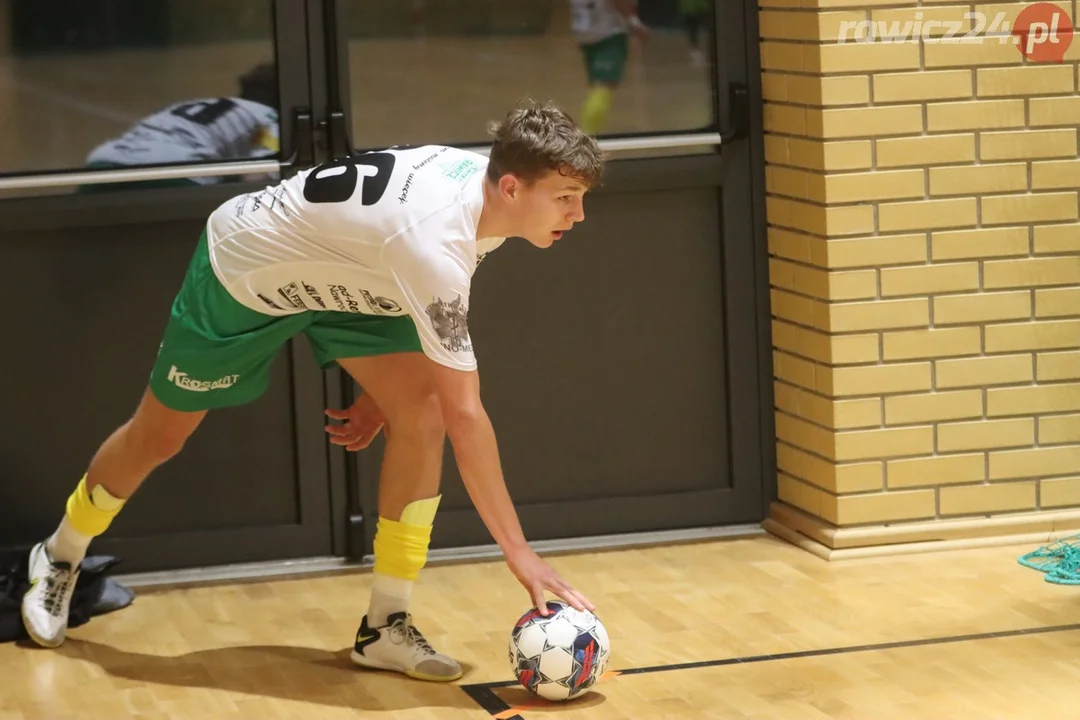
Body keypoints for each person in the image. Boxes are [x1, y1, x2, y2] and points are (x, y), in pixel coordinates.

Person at [21, 101, 605, 683]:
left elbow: (395, 265)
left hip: (352, 271)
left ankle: (385, 624)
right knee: (160, 435)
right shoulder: (436, 244)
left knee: (418, 417)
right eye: (564, 197)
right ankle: (61, 553)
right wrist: (519, 553)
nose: (578, 215)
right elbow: (467, 415)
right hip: (247, 272)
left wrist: (382, 389)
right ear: (510, 186)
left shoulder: (477, 199)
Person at [80, 63, 280, 191]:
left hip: (104, 162)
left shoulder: (191, 105)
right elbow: (255, 178)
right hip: (174, 170)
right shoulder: (268, 117)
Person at [569, 0, 649, 136]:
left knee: (597, 86)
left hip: (584, 30)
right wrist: (634, 23)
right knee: (604, 84)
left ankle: (587, 133)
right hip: (608, 32)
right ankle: (585, 137)